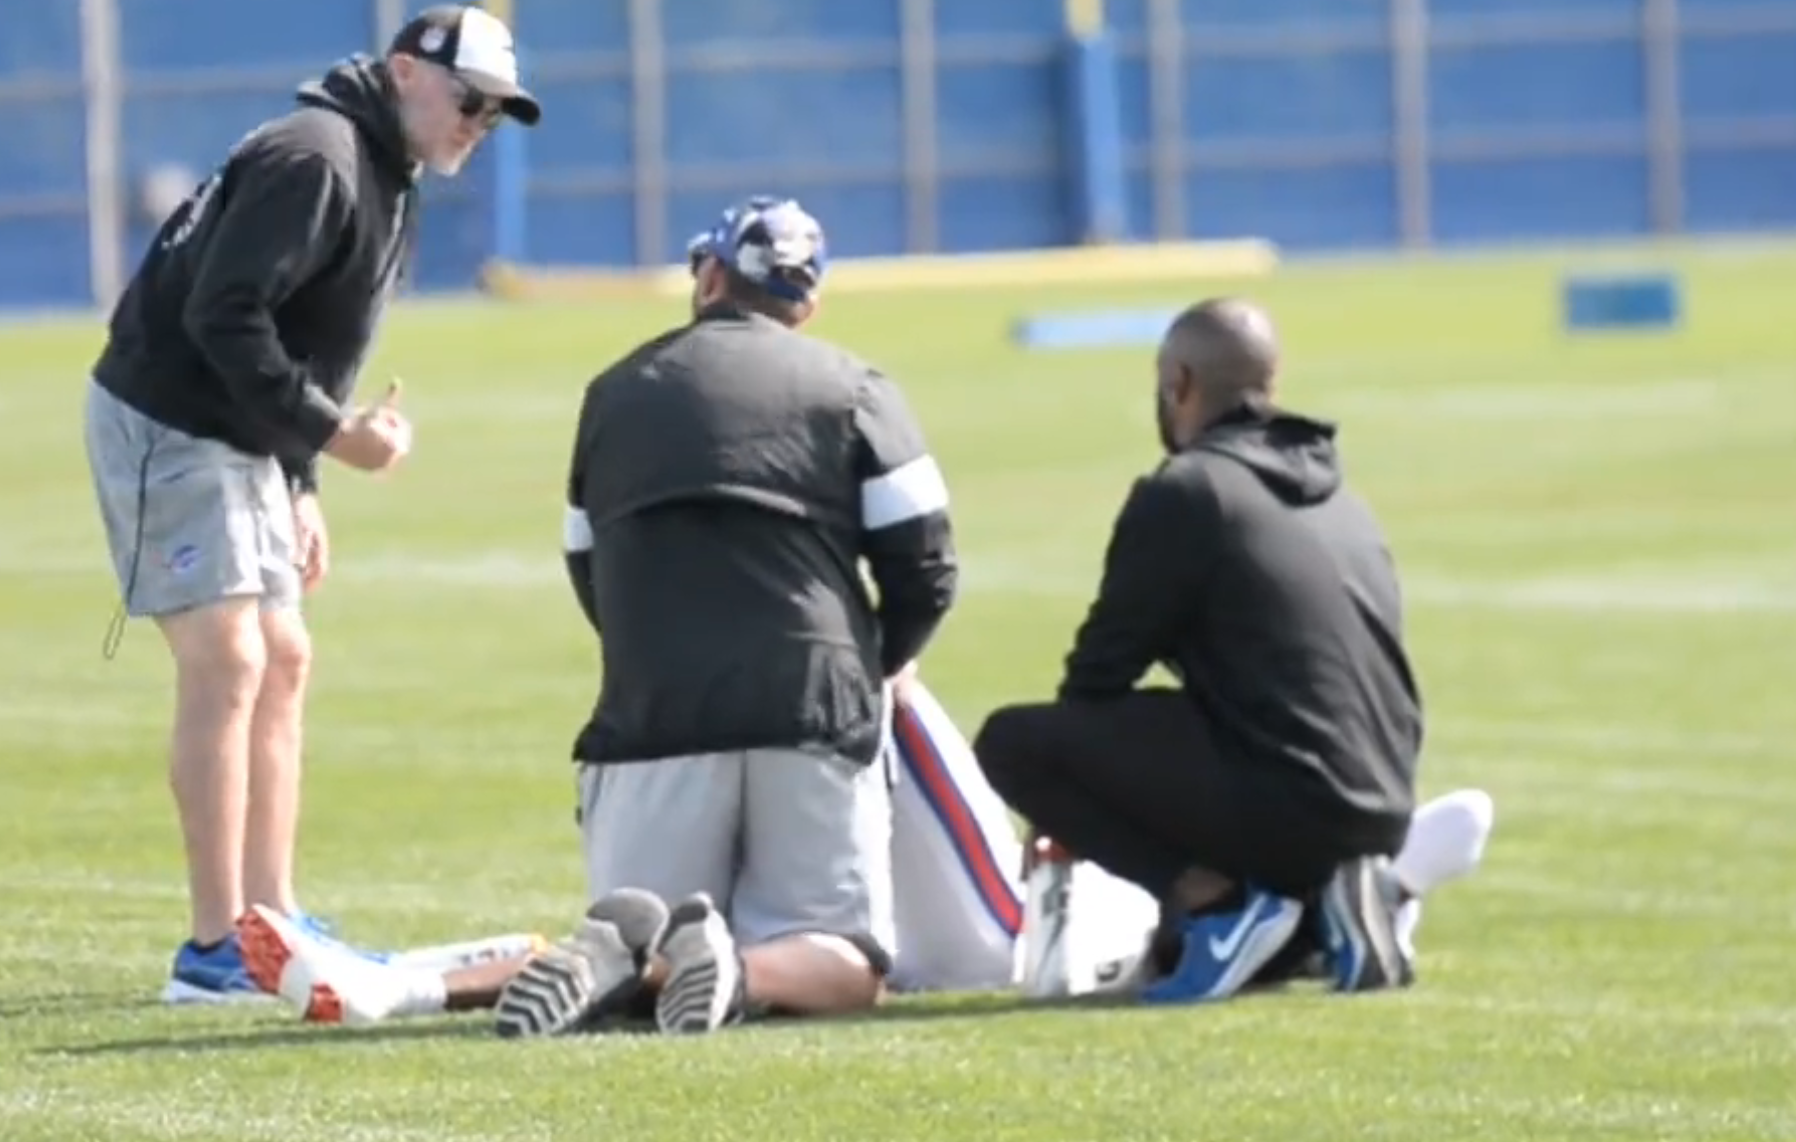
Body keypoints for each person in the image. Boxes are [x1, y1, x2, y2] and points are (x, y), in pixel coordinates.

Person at [80, 3, 542, 1004]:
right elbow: (223, 314)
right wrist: (334, 433)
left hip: (242, 432)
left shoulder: (388, 168)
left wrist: (300, 477)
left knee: (286, 655)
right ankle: (214, 949)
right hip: (170, 417)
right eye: (471, 99)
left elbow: (310, 336)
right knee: (231, 658)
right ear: (406, 73)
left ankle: (269, 918)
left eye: (496, 114)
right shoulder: (320, 157)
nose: (478, 123)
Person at [219, 676, 1494, 1026]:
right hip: (975, 914)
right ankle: (1362, 901)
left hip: (917, 895)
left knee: (647, 944)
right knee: (1018, 946)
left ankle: (398, 979)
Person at [493, 193, 958, 1038]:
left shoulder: (613, 393)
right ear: (806, 302)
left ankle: (628, 961)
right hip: (810, 705)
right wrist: (879, 662)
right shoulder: (856, 386)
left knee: (632, 938)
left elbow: (588, 565)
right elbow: (927, 563)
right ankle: (734, 965)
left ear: (708, 275)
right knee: (846, 967)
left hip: (651, 715)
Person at [972, 296, 1429, 1006]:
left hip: (1291, 799)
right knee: (1210, 727)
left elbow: (1100, 673)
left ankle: (1219, 910)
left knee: (1013, 743)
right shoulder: (1343, 498)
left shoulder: (1187, 493)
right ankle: (1328, 908)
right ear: (1270, 383)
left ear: (1178, 383)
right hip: (1384, 798)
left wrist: (1065, 812)